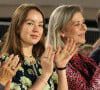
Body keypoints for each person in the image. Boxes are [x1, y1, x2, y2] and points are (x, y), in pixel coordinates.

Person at [0, 3, 70, 90]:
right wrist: (45, 76)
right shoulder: (8, 63)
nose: (36, 30)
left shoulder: (43, 61)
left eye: (40, 25)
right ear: (17, 27)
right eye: (30, 23)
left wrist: (61, 67)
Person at [46, 4, 100, 90]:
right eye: (77, 24)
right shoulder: (58, 62)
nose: (85, 28)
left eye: (83, 23)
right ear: (61, 30)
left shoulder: (83, 59)